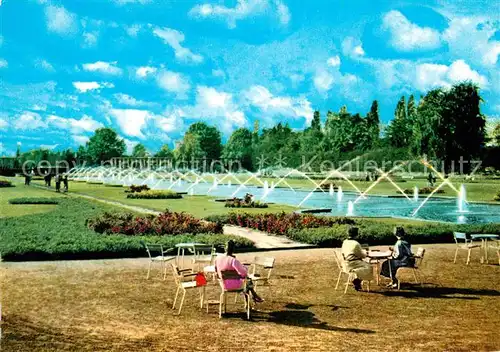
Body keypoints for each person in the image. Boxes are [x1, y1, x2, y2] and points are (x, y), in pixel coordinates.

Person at [341, 227, 373, 291]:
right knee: (369, 267)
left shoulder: (345, 242)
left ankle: (357, 280)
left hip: (345, 263)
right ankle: (357, 280)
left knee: (364, 265)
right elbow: (362, 255)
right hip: (353, 263)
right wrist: (365, 253)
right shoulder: (356, 244)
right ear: (356, 234)